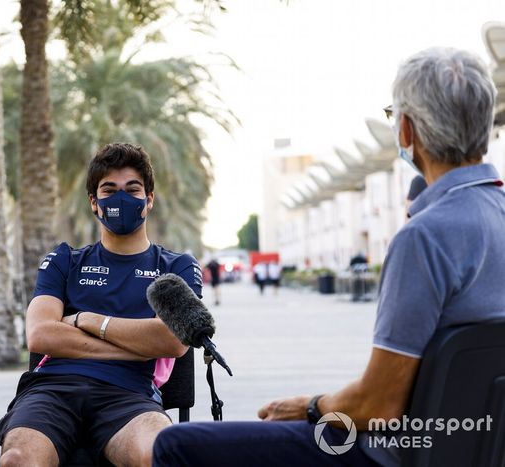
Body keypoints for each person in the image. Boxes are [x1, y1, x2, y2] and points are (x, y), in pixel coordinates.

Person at [153, 47, 505, 467]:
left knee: (176, 445)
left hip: (398, 452)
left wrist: (310, 406)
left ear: (407, 130)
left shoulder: (426, 237)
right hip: (477, 445)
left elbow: (378, 405)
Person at [0, 143, 203, 467]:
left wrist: (85, 320)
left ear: (149, 200)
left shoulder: (176, 266)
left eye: (132, 189)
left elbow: (173, 341)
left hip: (131, 394)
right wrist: (137, 346)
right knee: (18, 459)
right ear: (94, 202)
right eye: (109, 189)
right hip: (52, 390)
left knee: (158, 453)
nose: (121, 197)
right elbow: (40, 336)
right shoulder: (63, 260)